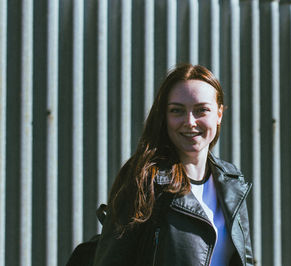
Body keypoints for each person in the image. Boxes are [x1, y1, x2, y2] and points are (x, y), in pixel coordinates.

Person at [93, 64, 254, 266]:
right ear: (165, 116)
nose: (189, 121)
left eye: (201, 110)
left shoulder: (231, 182)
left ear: (219, 114)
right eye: (177, 110)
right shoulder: (144, 179)